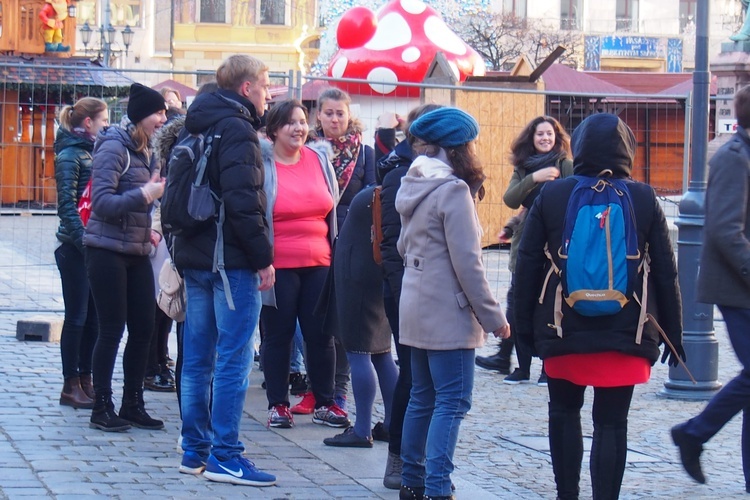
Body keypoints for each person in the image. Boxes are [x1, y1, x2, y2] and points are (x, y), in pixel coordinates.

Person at [514, 113, 684, 500]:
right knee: (612, 424)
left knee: (563, 412)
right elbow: (665, 272)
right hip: (627, 329)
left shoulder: (553, 195)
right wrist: (673, 334)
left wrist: (523, 329)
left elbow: (526, 266)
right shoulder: (643, 197)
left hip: (563, 327)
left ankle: (566, 495)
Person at [396, 107, 510, 500]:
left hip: (415, 303)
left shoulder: (414, 182)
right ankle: (437, 488)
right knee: (452, 400)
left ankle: (411, 482)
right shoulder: (454, 190)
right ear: (460, 147)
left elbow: (402, 246)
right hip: (448, 309)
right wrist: (494, 317)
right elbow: (469, 263)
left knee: (422, 397)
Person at [173, 54, 276, 487]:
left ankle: (194, 451)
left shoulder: (195, 124)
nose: (269, 96)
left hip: (195, 257)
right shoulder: (237, 128)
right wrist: (263, 257)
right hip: (228, 261)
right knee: (233, 359)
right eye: (267, 86)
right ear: (247, 87)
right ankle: (226, 456)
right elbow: (244, 202)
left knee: (197, 358)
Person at [671, 84, 750, 493]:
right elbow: (724, 232)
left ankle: (695, 434)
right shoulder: (734, 158)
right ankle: (693, 432)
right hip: (738, 288)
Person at [258, 99, 348, 430]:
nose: (298, 128)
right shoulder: (263, 164)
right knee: (278, 335)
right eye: (289, 123)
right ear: (273, 131)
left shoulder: (319, 159)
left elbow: (331, 205)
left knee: (320, 335)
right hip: (277, 264)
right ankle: (278, 404)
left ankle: (326, 402)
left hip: (319, 262)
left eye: (302, 122)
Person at [84, 83, 167, 432]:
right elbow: (102, 203)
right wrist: (145, 194)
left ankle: (133, 402)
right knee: (112, 328)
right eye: (158, 113)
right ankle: (102, 406)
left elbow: (146, 201)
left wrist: (152, 224)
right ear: (140, 116)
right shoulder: (114, 148)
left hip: (136, 249)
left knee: (144, 327)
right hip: (105, 250)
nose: (163, 119)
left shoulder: (149, 149)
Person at [292, 87, 376, 414]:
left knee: (339, 323)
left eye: (340, 113)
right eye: (328, 113)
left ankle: (337, 392)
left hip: (348, 245)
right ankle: (317, 389)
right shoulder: (307, 151)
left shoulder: (364, 153)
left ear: (349, 115)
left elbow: (372, 195)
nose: (335, 119)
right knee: (314, 322)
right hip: (313, 241)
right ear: (319, 116)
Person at [477, 116, 573, 386]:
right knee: (519, 305)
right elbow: (512, 199)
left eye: (549, 134)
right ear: (531, 138)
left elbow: (573, 201)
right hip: (524, 247)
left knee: (550, 308)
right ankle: (520, 365)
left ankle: (547, 366)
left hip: (554, 249)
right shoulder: (524, 168)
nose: (545, 138)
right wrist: (535, 177)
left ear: (557, 138)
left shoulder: (565, 165)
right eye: (540, 134)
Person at [376, 102, 443, 489]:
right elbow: (391, 246)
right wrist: (408, 296)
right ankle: (399, 457)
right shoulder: (399, 173)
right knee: (415, 376)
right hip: (406, 289)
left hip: (432, 290)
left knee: (433, 380)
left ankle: (426, 462)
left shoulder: (444, 174)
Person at [322, 183, 398, 448]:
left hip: (358, 271)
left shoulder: (384, 189)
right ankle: (391, 425)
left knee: (359, 352)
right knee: (381, 352)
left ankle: (362, 429)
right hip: (381, 270)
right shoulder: (405, 184)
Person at [54, 97, 108, 409]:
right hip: (75, 249)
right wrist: (85, 241)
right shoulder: (71, 154)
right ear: (88, 123)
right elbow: (67, 207)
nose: (107, 125)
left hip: (93, 246)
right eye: (102, 120)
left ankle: (86, 379)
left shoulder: (93, 151)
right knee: (76, 317)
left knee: (94, 320)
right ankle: (70, 384)